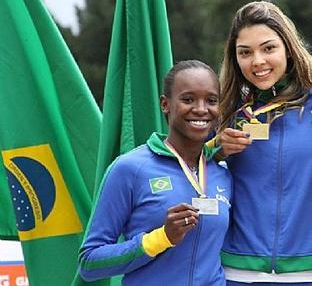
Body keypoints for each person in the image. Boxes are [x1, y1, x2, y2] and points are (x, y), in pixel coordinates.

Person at [77, 60, 232, 285]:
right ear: (165, 104)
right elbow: (89, 262)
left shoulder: (222, 174)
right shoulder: (130, 168)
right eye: (188, 99)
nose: (201, 109)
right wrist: (161, 238)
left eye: (211, 100)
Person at [215, 1, 312, 285]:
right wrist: (215, 150)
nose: (257, 61)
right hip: (238, 272)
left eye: (268, 48)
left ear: (289, 49)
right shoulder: (224, 112)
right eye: (245, 52)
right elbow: (184, 170)